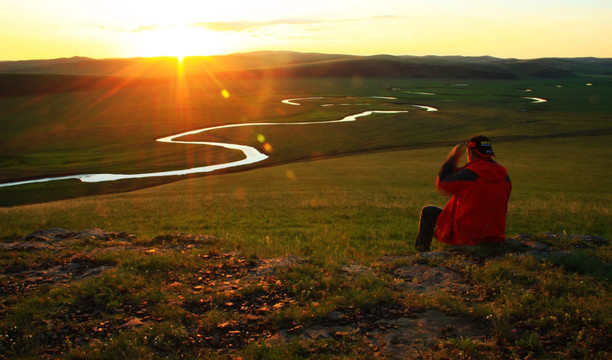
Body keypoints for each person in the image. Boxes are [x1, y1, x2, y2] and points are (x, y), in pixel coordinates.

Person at [415, 135, 512, 251]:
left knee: (428, 212)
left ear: (470, 152)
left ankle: (421, 252)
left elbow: (442, 183)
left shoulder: (471, 173)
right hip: (496, 235)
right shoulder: (505, 176)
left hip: (469, 235)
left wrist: (452, 159)